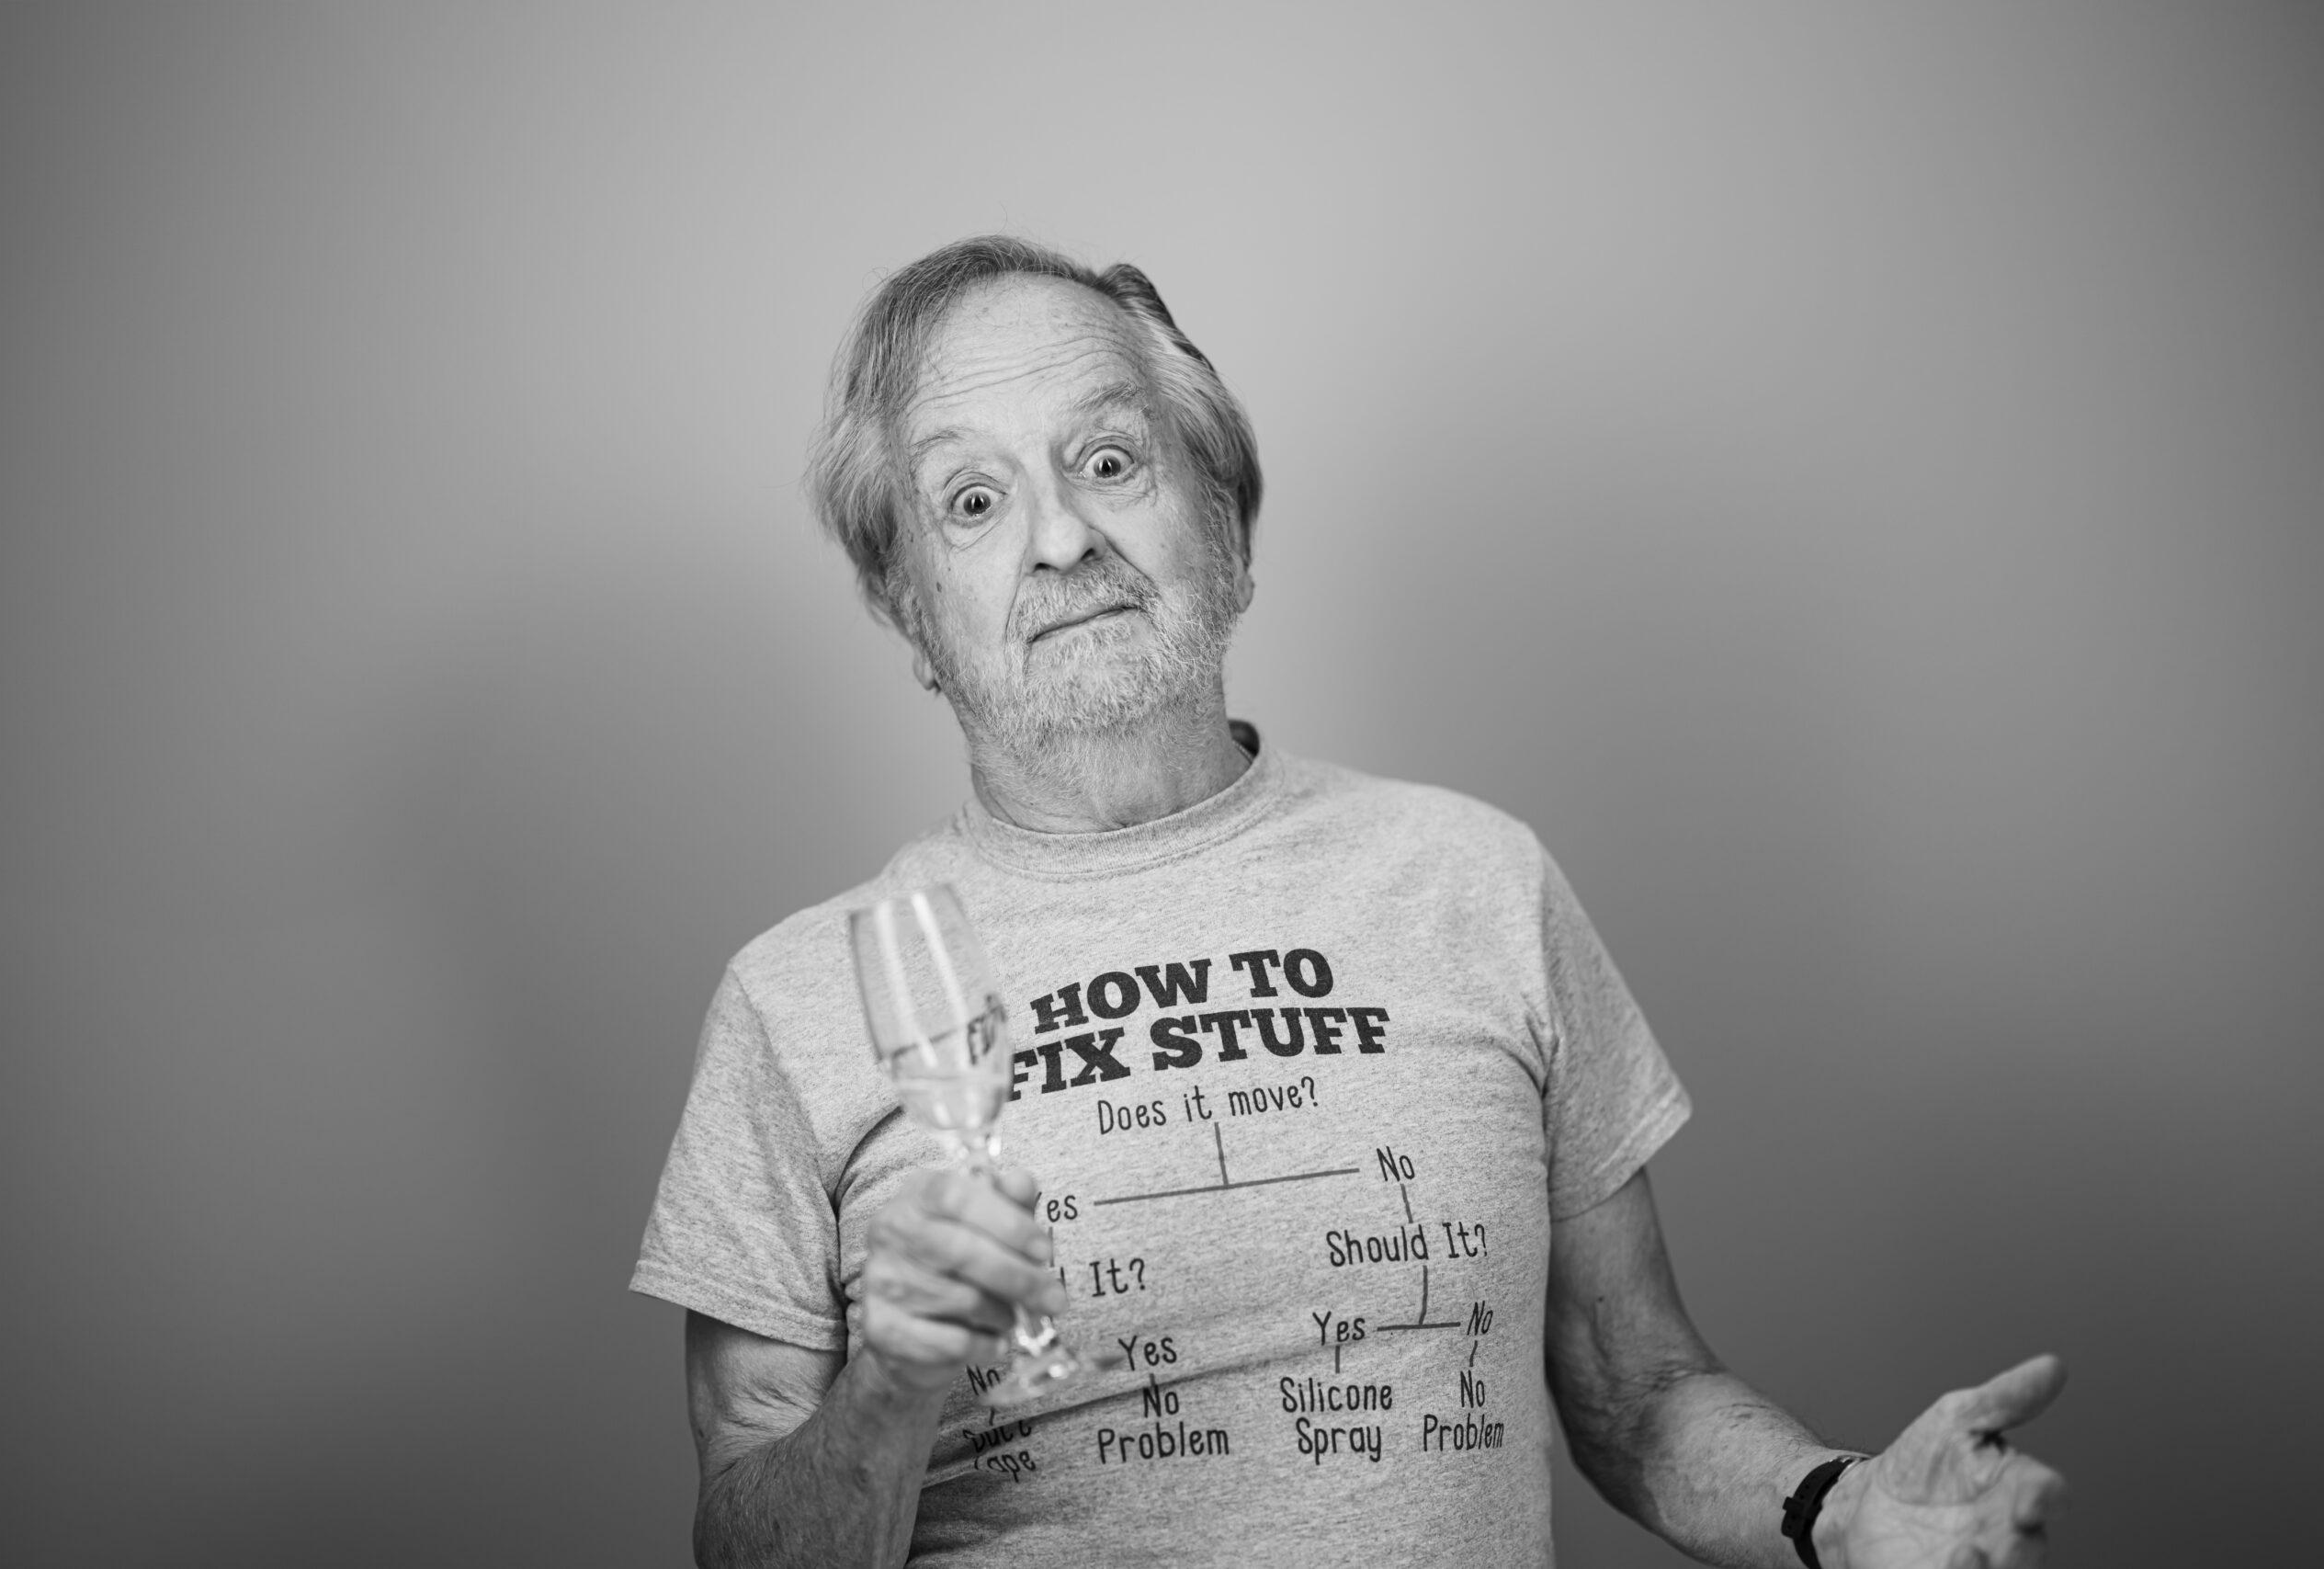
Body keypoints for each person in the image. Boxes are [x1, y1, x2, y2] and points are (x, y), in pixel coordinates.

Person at [630, 235, 2068, 1568]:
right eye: (973, 501)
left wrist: (1841, 1511)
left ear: (1230, 525)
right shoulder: (797, 999)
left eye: (1112, 462)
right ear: (909, 609)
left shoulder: (1476, 879)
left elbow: (1638, 1388)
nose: (1062, 541)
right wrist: (887, 1388)